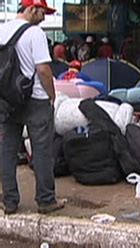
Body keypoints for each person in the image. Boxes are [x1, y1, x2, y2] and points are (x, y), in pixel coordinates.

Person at [0, 0, 65, 214]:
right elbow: (44, 69)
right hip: (35, 98)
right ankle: (46, 200)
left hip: (8, 99)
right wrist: (52, 96)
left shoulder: (2, 30)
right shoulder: (35, 33)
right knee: (42, 150)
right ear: (30, 9)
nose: (44, 17)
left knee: (7, 150)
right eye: (42, 12)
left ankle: (9, 201)